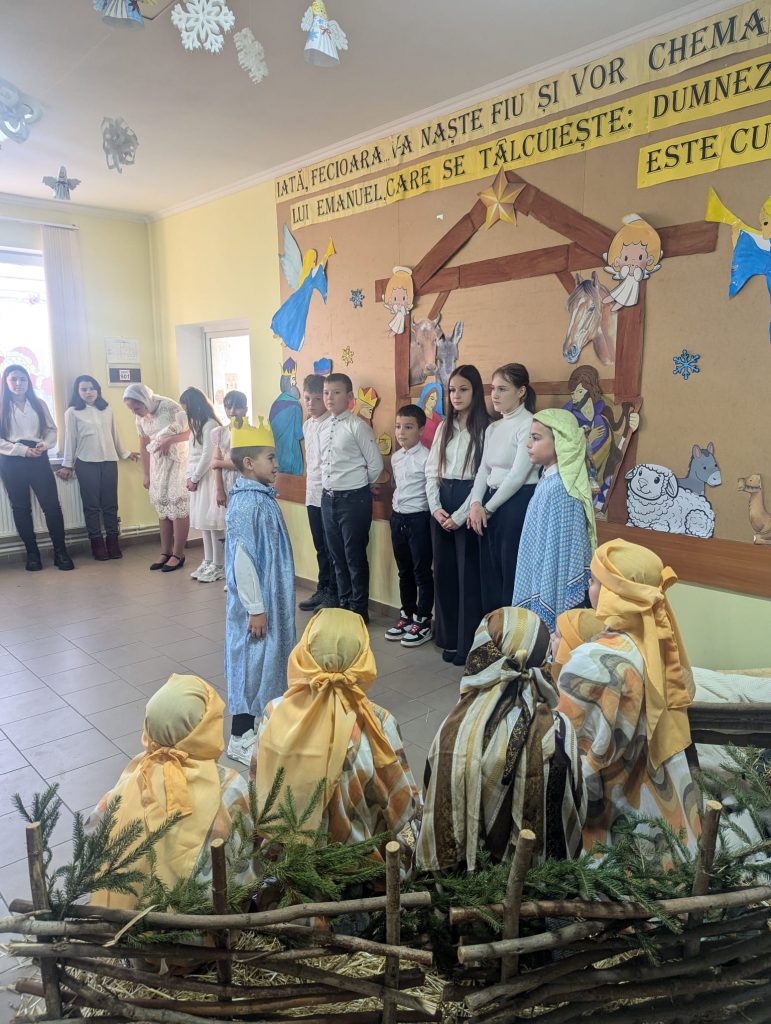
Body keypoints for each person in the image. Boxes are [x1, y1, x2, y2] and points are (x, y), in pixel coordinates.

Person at [556, 539, 701, 853]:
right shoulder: (651, 641)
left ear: (615, 593)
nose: (588, 586)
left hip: (611, 809)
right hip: (654, 790)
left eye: (594, 581)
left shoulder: (594, 662)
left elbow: (567, 748)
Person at [416, 607, 586, 872]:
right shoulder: (561, 733)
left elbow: (435, 803)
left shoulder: (453, 731)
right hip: (542, 885)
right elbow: (576, 804)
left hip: (463, 890)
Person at [252, 609, 421, 863]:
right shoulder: (379, 723)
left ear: (305, 650)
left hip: (289, 865)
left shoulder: (273, 712)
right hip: (360, 867)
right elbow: (402, 804)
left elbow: (258, 788)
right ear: (363, 657)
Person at [88, 673, 254, 910]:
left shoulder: (132, 776)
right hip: (198, 918)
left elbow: (94, 837)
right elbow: (246, 852)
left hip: (126, 917)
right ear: (206, 725)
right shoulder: (231, 785)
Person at [224, 417, 296, 765]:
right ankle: (240, 735)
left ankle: (262, 722)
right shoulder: (247, 504)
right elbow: (243, 561)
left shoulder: (260, 498)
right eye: (270, 457)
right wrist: (255, 607)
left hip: (269, 599)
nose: (276, 463)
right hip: (258, 605)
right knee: (251, 663)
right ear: (249, 464)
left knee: (267, 660)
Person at [426, 364, 489, 665]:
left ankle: (467, 645)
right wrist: (436, 508)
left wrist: (461, 516)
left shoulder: (486, 428)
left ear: (476, 391)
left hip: (471, 502)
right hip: (442, 499)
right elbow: (430, 472)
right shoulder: (443, 427)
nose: (456, 395)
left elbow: (482, 478)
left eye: (463, 389)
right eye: (452, 390)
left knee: (468, 578)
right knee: (445, 575)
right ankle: (448, 638)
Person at [512, 408, 596, 632]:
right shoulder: (548, 479)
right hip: (539, 568)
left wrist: (544, 578)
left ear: (560, 442)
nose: (529, 444)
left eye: (536, 438)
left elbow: (560, 552)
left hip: (555, 580)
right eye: (530, 437)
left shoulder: (561, 488)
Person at [468, 363, 538, 613]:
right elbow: (483, 471)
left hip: (515, 504)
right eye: (492, 389)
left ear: (521, 391)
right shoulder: (493, 427)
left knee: (510, 573)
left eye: (502, 389)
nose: (494, 395)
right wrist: (475, 504)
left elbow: (518, 475)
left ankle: (512, 643)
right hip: (489, 502)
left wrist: (487, 507)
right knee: (488, 575)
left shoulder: (530, 424)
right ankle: (492, 637)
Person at [320, 373, 384, 623]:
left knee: (354, 556)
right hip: (328, 499)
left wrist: (359, 486)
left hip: (354, 500)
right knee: (336, 555)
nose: (329, 398)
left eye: (336, 392)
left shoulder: (358, 426)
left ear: (349, 397)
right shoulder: (323, 426)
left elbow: (376, 466)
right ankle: (344, 602)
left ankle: (359, 609)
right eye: (326, 392)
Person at [0, 364, 74, 571]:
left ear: (28, 381)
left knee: (51, 506)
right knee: (21, 508)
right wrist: (21, 450)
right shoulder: (1, 405)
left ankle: (61, 553)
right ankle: (33, 554)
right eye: (13, 379)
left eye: (22, 379)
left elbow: (51, 430)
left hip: (38, 456)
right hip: (11, 460)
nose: (18, 383)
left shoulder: (39, 403)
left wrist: (45, 444)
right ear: (6, 382)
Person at [58, 375, 138, 561]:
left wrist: (124, 453)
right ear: (78, 392)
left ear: (98, 390)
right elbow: (70, 439)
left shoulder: (106, 409)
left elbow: (114, 434)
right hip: (86, 463)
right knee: (92, 507)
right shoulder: (72, 412)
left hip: (109, 461)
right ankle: (97, 544)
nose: (89, 392)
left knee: (110, 505)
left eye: (92, 388)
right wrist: (67, 465)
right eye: (84, 389)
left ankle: (113, 542)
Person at [123, 383, 190, 573]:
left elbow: (191, 431)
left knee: (177, 505)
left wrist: (170, 439)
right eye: (131, 410)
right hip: (158, 463)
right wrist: (146, 473)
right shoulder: (140, 417)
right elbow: (143, 443)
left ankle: (178, 553)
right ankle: (165, 551)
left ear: (145, 400)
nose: (136, 413)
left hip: (177, 460)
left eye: (137, 408)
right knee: (162, 505)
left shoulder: (170, 407)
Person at [385, 404, 434, 647]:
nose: (401, 432)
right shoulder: (396, 457)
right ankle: (407, 613)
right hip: (398, 518)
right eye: (398, 427)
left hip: (419, 520)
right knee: (404, 570)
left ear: (421, 430)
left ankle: (423, 620)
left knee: (421, 571)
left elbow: (431, 491)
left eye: (408, 427)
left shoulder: (427, 458)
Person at [179, 387, 225, 584]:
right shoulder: (197, 426)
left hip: (208, 480)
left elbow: (207, 456)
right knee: (204, 525)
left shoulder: (210, 425)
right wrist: (190, 477)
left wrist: (195, 477)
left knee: (213, 523)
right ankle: (208, 560)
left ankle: (219, 564)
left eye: (186, 408)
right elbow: (193, 455)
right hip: (198, 480)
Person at [298, 373, 336, 612]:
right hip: (311, 494)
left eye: (315, 399)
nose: (310, 404)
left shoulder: (330, 425)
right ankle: (322, 588)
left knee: (332, 547)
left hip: (329, 495)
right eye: (307, 398)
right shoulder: (307, 425)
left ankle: (334, 591)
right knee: (320, 546)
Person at [212, 390, 248, 509]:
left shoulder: (251, 432)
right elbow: (215, 465)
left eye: (237, 407)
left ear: (245, 409)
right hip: (225, 483)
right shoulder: (220, 432)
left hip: (245, 484)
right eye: (228, 407)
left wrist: (219, 463)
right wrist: (219, 490)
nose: (232, 411)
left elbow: (244, 464)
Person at [268, 358, 304, 476]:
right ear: (288, 382)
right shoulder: (295, 405)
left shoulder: (274, 404)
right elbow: (299, 434)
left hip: (276, 457)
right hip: (292, 455)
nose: (295, 384)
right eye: (293, 381)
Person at [417, 382, 443, 449]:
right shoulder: (417, 416)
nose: (433, 403)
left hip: (435, 450)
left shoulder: (437, 417)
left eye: (435, 400)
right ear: (426, 397)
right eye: (431, 399)